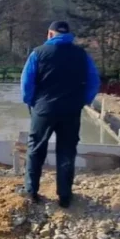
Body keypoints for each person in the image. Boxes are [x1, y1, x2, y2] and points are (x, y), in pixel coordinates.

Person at [20, 21, 100, 208]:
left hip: (44, 109)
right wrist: (83, 100)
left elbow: (26, 84)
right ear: (69, 35)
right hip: (71, 110)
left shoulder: (38, 53)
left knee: (36, 149)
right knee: (67, 151)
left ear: (50, 34)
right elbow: (94, 81)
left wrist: (31, 102)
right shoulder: (81, 55)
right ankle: (65, 196)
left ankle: (31, 191)